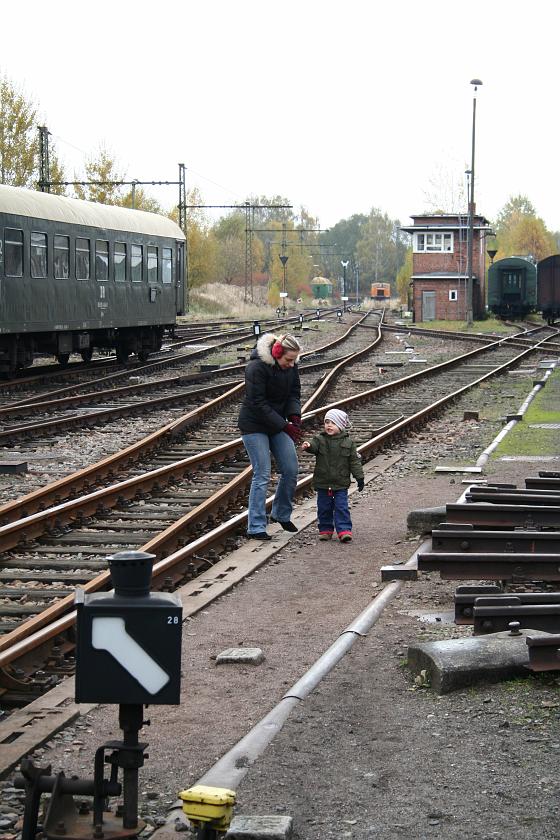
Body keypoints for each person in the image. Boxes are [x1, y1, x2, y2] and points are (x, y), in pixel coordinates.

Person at [238, 332, 303, 540]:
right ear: (276, 353)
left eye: (294, 360)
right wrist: (284, 425)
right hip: (254, 424)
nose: (291, 365)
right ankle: (256, 526)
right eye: (288, 360)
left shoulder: (292, 367)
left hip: (278, 424)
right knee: (262, 473)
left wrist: (294, 414)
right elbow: (257, 404)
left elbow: (294, 392)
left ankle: (280, 514)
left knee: (291, 469)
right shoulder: (255, 368)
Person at [302, 408, 364, 543]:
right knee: (324, 507)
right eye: (327, 422)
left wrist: (359, 478)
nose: (329, 425)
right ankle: (325, 530)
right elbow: (314, 445)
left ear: (341, 426)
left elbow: (354, 462)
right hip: (323, 482)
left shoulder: (348, 443)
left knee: (341, 507)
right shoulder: (320, 439)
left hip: (340, 483)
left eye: (333, 423)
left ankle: (344, 530)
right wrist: (308, 445)